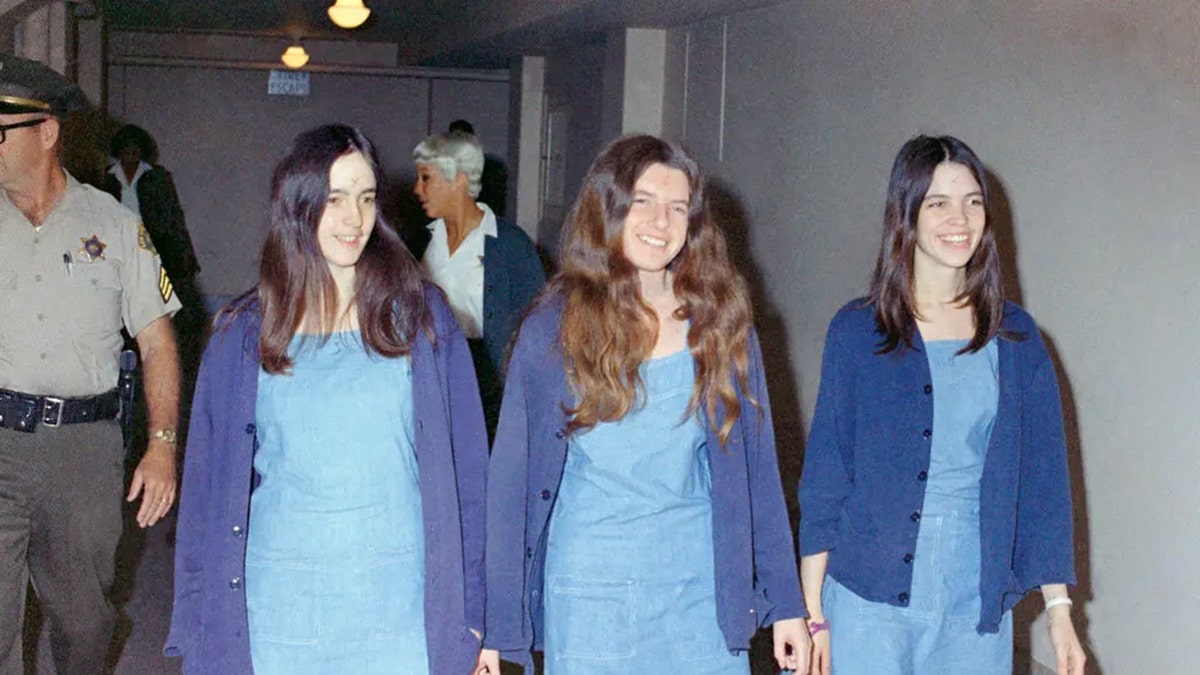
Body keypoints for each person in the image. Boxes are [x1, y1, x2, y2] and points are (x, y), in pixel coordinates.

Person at [164, 124, 489, 674]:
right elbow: (204, 494)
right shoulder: (243, 333)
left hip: (399, 608)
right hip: (280, 607)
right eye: (334, 199)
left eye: (366, 198)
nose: (353, 219)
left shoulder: (422, 319)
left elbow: (470, 480)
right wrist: (197, 625)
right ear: (299, 206)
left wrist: (479, 617)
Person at [479, 135, 809, 674]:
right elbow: (510, 487)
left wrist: (786, 603)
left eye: (678, 208)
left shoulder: (720, 325)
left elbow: (758, 476)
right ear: (607, 208)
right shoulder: (552, 331)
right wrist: (496, 627)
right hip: (590, 598)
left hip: (700, 595)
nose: (661, 221)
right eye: (643, 202)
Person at [797, 135, 1087, 675]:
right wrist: (812, 613)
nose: (960, 219)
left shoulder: (1016, 337)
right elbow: (827, 478)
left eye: (973, 201)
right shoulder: (858, 331)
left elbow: (1043, 482)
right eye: (938, 203)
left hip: (974, 601)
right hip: (867, 601)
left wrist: (1059, 610)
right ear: (906, 213)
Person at [0, 55, 181, 674]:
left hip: (82, 450)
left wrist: (162, 445)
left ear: (46, 132)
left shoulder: (116, 226)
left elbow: (157, 342)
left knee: (83, 619)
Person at [412, 130, 544, 439]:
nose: (417, 189)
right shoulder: (422, 239)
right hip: (434, 373)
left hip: (488, 387)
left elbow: (540, 328)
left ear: (458, 180)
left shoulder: (510, 244)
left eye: (426, 178)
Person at [101, 124, 202, 328]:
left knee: (160, 299)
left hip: (155, 245)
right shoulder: (108, 178)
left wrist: (181, 254)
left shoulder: (157, 177)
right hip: (119, 245)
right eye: (127, 147)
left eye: (135, 147)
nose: (131, 152)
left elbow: (172, 216)